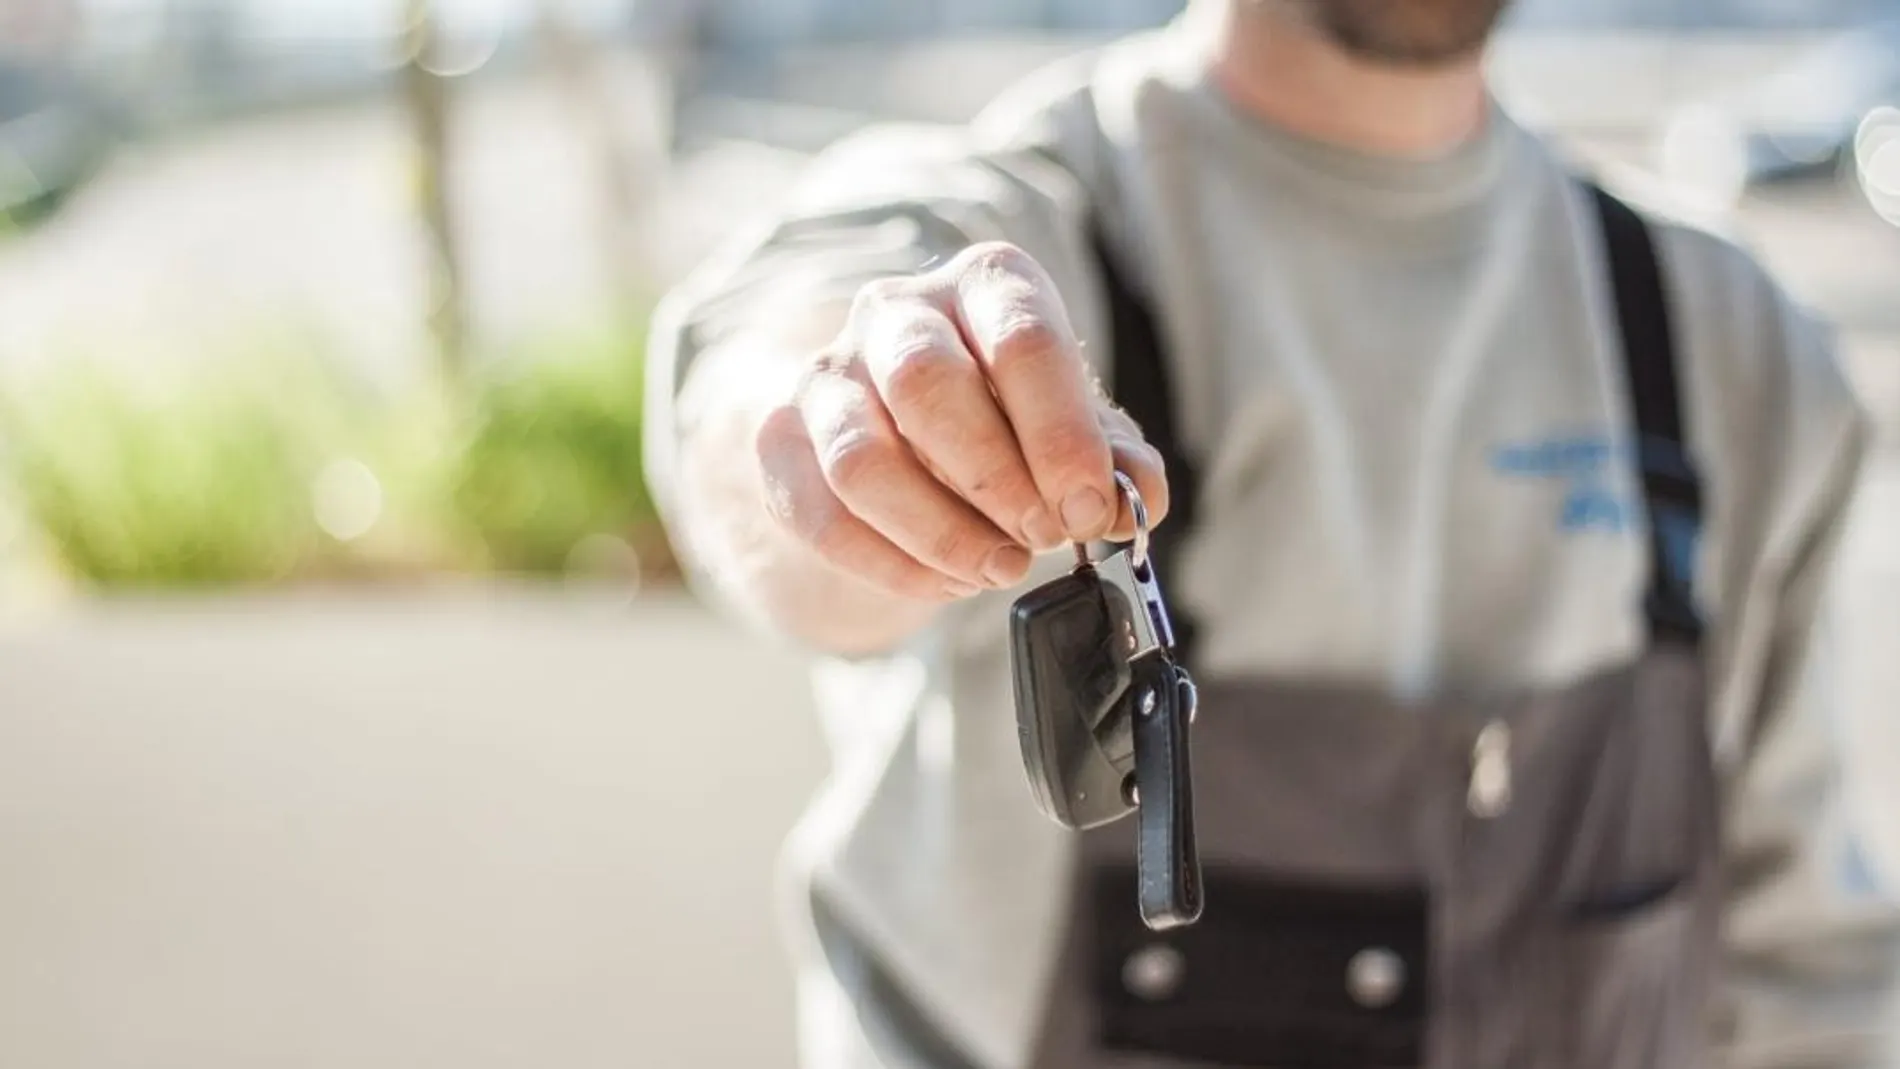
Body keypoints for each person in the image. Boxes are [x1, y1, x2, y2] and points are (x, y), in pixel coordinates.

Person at [642, 1, 1900, 1065]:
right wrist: (861, 434)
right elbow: (776, 401)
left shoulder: (1728, 343)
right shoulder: (1025, 219)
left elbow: (1798, 968)